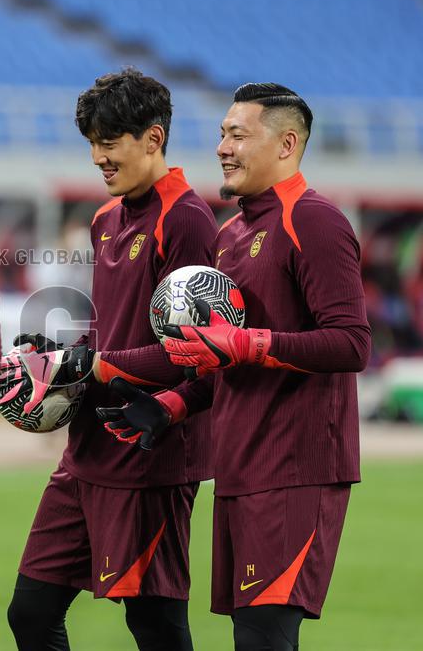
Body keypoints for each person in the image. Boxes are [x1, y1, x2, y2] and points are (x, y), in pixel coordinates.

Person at [97, 83, 370, 651]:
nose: (222, 146)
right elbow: (222, 359)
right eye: (222, 133)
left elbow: (350, 343)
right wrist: (172, 404)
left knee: (264, 641)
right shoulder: (229, 236)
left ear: (287, 143)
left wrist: (251, 344)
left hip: (297, 467)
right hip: (240, 467)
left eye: (238, 134)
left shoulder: (314, 220)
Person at [4, 69, 217, 651]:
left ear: (153, 138)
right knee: (30, 613)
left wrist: (91, 366)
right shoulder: (105, 220)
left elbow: (198, 351)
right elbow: (111, 330)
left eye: (109, 141)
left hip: (151, 450)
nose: (98, 156)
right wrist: (55, 360)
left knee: (155, 627)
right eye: (92, 143)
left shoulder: (188, 219)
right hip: (87, 450)